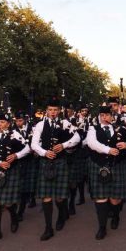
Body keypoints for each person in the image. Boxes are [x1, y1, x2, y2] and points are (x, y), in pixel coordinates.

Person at [31, 97, 80, 241]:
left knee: (59, 197)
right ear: (46, 111)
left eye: (55, 110)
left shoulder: (65, 123)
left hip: (60, 162)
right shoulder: (40, 125)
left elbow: (77, 137)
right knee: (46, 197)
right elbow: (34, 144)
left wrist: (64, 145)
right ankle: (48, 228)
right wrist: (44, 152)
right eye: (50, 110)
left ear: (59, 111)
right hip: (46, 161)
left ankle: (61, 215)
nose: (52, 112)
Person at [87, 105, 126, 239]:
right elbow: (91, 143)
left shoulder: (121, 129)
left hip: (117, 166)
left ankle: (116, 216)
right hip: (99, 165)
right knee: (101, 198)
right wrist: (108, 150)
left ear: (112, 116)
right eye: (102, 115)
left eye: (107, 115)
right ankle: (102, 227)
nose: (104, 118)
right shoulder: (93, 129)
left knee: (115, 199)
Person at [0, 112, 30, 242]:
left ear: (8, 124)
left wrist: (16, 155)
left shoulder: (15, 135)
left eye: (2, 122)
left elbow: (27, 149)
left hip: (11, 171)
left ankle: (14, 217)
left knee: (8, 202)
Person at [11, 111, 38, 221]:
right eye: (17, 121)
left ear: (25, 120)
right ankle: (20, 205)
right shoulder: (12, 131)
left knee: (26, 187)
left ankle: (21, 211)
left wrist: (35, 149)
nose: (18, 122)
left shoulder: (33, 129)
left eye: (20, 120)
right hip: (17, 161)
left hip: (30, 160)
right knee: (18, 187)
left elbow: (37, 142)